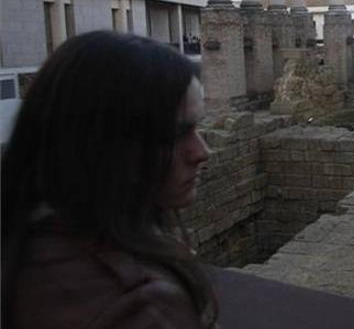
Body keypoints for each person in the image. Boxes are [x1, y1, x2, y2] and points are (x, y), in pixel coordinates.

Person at [1, 31, 216, 328]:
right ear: (104, 144)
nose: (202, 152)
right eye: (176, 134)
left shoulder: (28, 240)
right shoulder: (144, 305)